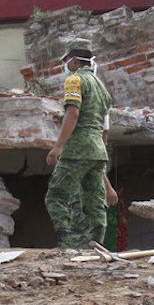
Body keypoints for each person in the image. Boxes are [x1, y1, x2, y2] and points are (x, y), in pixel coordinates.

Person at [44, 38, 113, 249]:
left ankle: (69, 241)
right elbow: (105, 127)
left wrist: (58, 147)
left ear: (74, 60)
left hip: (78, 149)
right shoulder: (102, 87)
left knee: (55, 195)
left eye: (66, 60)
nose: (66, 65)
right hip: (98, 151)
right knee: (95, 201)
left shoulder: (75, 80)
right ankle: (97, 243)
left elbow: (72, 114)